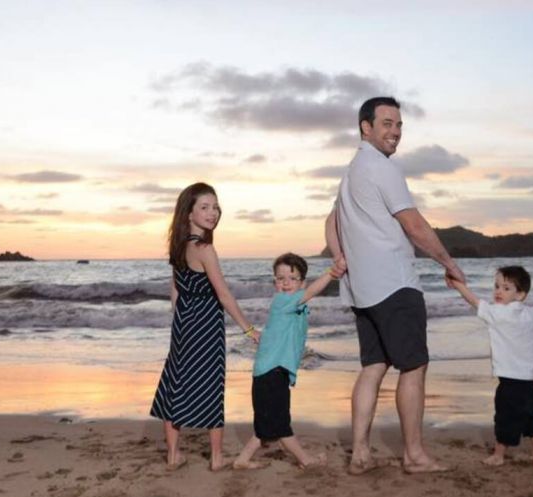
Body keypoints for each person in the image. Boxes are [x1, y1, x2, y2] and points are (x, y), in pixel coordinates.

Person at [324, 96, 466, 474]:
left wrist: (340, 257)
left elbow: (330, 222)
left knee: (373, 366)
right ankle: (414, 455)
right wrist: (449, 263)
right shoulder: (383, 167)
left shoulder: (351, 172)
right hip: (394, 284)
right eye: (387, 123)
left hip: (362, 289)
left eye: (399, 125)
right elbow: (414, 225)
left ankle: (360, 453)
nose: (396, 132)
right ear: (366, 127)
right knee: (414, 366)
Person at [150, 182, 260, 472]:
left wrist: (179, 320)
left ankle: (173, 455)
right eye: (205, 207)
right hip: (207, 323)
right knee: (211, 385)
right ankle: (216, 458)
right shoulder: (204, 248)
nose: (213, 213)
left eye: (215, 207)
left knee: (175, 382)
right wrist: (249, 330)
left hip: (184, 322)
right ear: (189, 213)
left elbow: (175, 289)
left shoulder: (178, 245)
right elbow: (223, 295)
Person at [232, 253, 344, 470]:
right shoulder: (282, 301)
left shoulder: (296, 304)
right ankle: (305, 460)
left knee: (268, 421)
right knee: (280, 423)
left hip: (273, 370)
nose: (285, 283)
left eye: (292, 278)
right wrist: (331, 273)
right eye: (280, 278)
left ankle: (243, 459)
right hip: (271, 371)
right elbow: (311, 292)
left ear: (302, 282)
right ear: (275, 281)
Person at [448, 266, 533, 466]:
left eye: (506, 288)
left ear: (520, 295)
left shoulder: (497, 313)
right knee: (532, 418)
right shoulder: (530, 314)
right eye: (496, 286)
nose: (498, 292)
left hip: (509, 383)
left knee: (505, 419)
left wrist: (457, 283)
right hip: (529, 382)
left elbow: (473, 300)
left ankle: (498, 456)